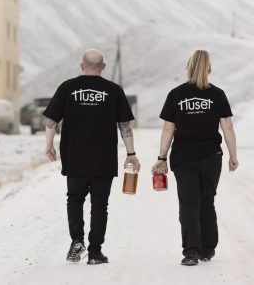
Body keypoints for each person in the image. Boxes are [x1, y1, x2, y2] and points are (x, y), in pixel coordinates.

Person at [43, 49, 140, 265]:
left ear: (81, 66)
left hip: (74, 156)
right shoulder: (113, 90)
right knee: (99, 204)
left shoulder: (68, 87)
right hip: (104, 159)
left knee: (75, 199)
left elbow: (52, 120)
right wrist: (131, 153)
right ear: (104, 67)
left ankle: (77, 240)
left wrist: (49, 145)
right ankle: (95, 252)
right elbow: (125, 126)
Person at [152, 49, 239, 266]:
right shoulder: (217, 94)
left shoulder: (176, 94)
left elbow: (167, 130)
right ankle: (207, 249)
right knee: (207, 201)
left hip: (183, 157)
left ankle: (191, 251)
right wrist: (233, 155)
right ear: (209, 69)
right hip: (211, 156)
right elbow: (227, 126)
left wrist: (162, 157)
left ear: (188, 68)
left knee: (189, 203)